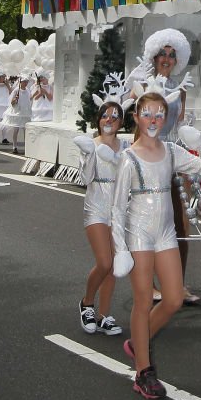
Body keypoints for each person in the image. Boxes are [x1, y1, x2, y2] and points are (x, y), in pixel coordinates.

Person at [110, 91, 201, 400]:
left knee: (172, 299)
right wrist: (120, 249)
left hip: (165, 234)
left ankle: (138, 342)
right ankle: (143, 372)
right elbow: (117, 208)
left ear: (165, 118)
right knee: (143, 300)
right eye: (147, 114)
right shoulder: (128, 159)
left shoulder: (171, 151)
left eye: (159, 114)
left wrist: (200, 145)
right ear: (137, 118)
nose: (154, 120)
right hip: (139, 234)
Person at [128, 29, 201, 305]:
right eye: (164, 53)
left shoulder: (180, 89)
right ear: (155, 54)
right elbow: (134, 116)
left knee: (180, 225)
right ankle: (148, 285)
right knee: (146, 223)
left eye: (173, 55)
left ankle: (178, 284)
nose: (167, 59)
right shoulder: (140, 81)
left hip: (171, 160)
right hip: (145, 161)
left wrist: (189, 139)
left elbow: (178, 126)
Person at [74, 91, 132, 338]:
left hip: (119, 211)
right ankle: (87, 303)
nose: (110, 120)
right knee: (105, 261)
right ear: (98, 119)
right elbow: (84, 179)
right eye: (105, 116)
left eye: (115, 117)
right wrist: (88, 155)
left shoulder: (127, 146)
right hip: (96, 207)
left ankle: (104, 314)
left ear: (121, 122)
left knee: (115, 267)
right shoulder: (91, 145)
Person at [0, 75, 33, 155]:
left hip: (25, 112)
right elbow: (12, 102)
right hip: (17, 112)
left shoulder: (28, 90)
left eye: (26, 82)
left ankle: (27, 147)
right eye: (24, 82)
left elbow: (29, 99)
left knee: (26, 130)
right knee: (16, 130)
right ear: (20, 82)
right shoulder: (16, 90)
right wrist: (15, 99)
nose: (25, 83)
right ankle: (14, 147)